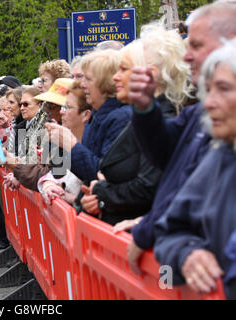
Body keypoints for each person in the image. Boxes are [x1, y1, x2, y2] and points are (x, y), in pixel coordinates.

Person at [122, 1, 236, 275]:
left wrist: (147, 228)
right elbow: (168, 158)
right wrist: (145, 109)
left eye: (195, 45)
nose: (186, 56)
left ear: (231, 42)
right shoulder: (200, 114)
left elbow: (181, 189)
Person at [80, 26, 189, 226]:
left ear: (150, 74)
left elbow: (149, 187)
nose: (115, 77)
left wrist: (102, 192)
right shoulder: (142, 118)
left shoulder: (164, 121)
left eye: (123, 69)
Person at [153, 38, 236, 298]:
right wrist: (186, 253)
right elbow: (165, 239)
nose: (209, 103)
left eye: (223, 89)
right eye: (208, 90)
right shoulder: (220, 157)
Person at [45, 49, 131, 184]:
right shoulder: (98, 115)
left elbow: (103, 174)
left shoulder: (121, 118)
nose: (82, 84)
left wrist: (71, 145)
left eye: (88, 79)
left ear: (106, 83)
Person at [38, 81, 91, 205]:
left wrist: (70, 197)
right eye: (45, 104)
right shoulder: (60, 139)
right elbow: (55, 174)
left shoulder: (81, 143)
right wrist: (47, 184)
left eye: (52, 105)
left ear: (86, 114)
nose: (61, 111)